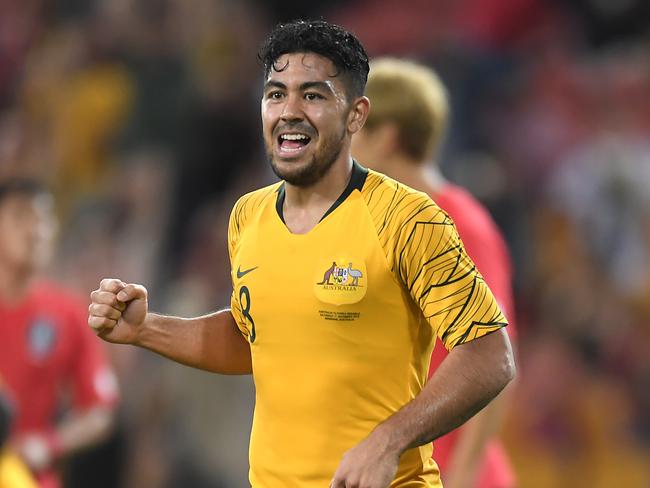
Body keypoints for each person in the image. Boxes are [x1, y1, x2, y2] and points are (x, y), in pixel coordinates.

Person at [88, 20, 515, 488]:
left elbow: (491, 354)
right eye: (276, 94)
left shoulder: (408, 218)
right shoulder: (247, 217)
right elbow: (253, 337)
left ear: (356, 115)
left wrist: (388, 442)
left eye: (312, 95)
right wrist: (147, 329)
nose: (289, 111)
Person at [352, 58, 518, 488]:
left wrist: (463, 476)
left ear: (386, 137)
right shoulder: (385, 222)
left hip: (451, 474)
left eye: (353, 131)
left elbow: (500, 358)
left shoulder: (460, 224)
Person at [0, 178, 119, 488]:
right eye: (21, 216)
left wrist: (49, 444)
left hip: (25, 476)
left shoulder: (68, 314)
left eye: (44, 219)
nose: (35, 230)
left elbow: (99, 412)